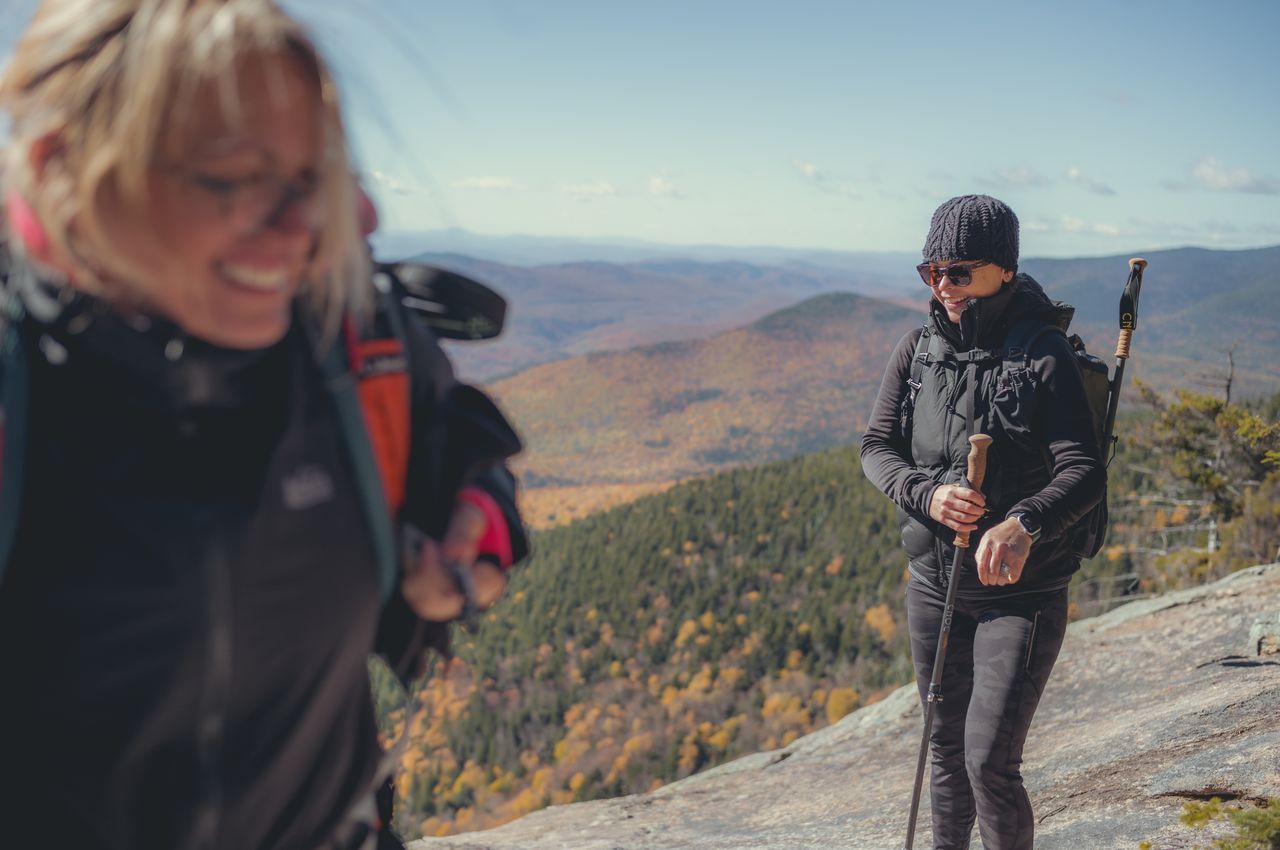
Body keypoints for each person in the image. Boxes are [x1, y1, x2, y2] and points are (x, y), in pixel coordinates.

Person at [0, 2, 526, 848]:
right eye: (233, 177)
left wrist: (472, 539)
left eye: (312, 178)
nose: (303, 230)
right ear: (59, 168)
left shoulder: (353, 344)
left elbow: (468, 458)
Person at [860, 195, 1104, 850]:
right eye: (931, 272)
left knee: (988, 762)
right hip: (933, 586)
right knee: (944, 752)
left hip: (1020, 596)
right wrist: (925, 494)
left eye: (958, 272)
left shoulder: (1044, 352)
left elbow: (1083, 469)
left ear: (1002, 270)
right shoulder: (917, 350)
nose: (943, 286)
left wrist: (1024, 522)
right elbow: (875, 449)